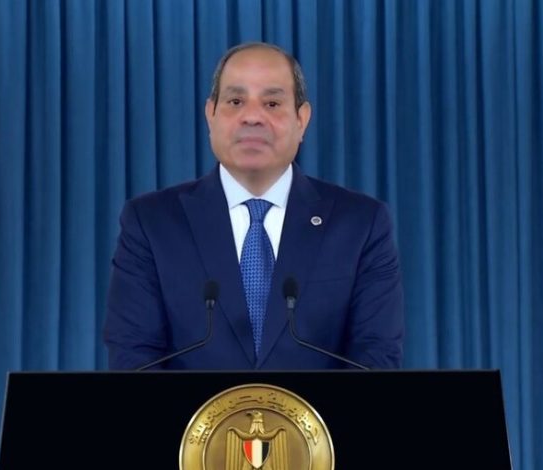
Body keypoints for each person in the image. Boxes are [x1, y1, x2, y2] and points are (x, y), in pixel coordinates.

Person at [104, 42, 404, 370]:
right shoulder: (151, 223)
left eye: (272, 103)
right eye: (235, 101)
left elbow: (376, 356)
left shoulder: (361, 224)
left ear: (302, 119)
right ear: (210, 114)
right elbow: (133, 356)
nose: (252, 117)